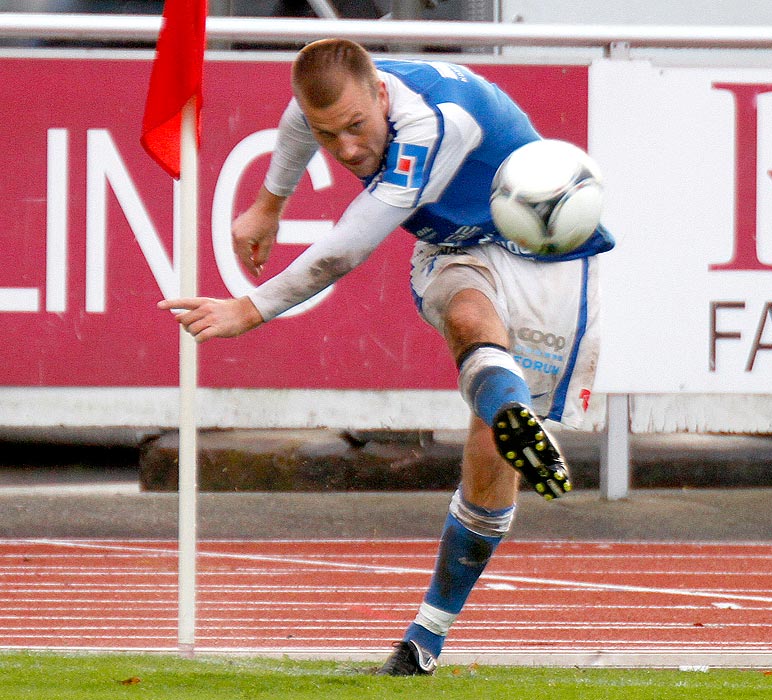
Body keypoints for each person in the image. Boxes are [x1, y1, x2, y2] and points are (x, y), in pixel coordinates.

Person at [158, 38, 614, 675]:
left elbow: (346, 248)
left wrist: (252, 307)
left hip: (542, 248)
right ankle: (508, 418)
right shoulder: (343, 98)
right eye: (330, 134)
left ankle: (433, 626)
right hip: (455, 245)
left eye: (355, 128)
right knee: (465, 317)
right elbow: (297, 122)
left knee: (488, 449)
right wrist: (269, 203)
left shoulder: (434, 123)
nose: (346, 149)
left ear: (380, 97)